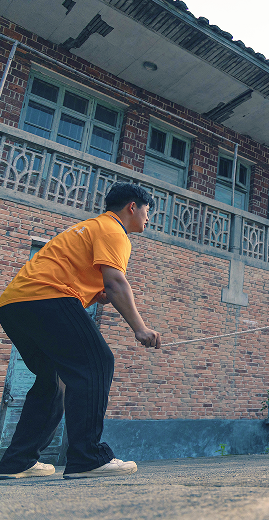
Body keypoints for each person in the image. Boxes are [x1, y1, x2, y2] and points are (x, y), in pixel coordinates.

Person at [0, 183, 161, 480]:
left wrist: (96, 292)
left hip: (14, 305)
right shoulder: (115, 231)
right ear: (132, 207)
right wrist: (140, 328)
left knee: (53, 379)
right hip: (46, 298)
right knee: (97, 362)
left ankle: (17, 462)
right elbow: (115, 283)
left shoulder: (89, 227)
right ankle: (88, 457)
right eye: (147, 211)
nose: (148, 219)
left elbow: (94, 282)